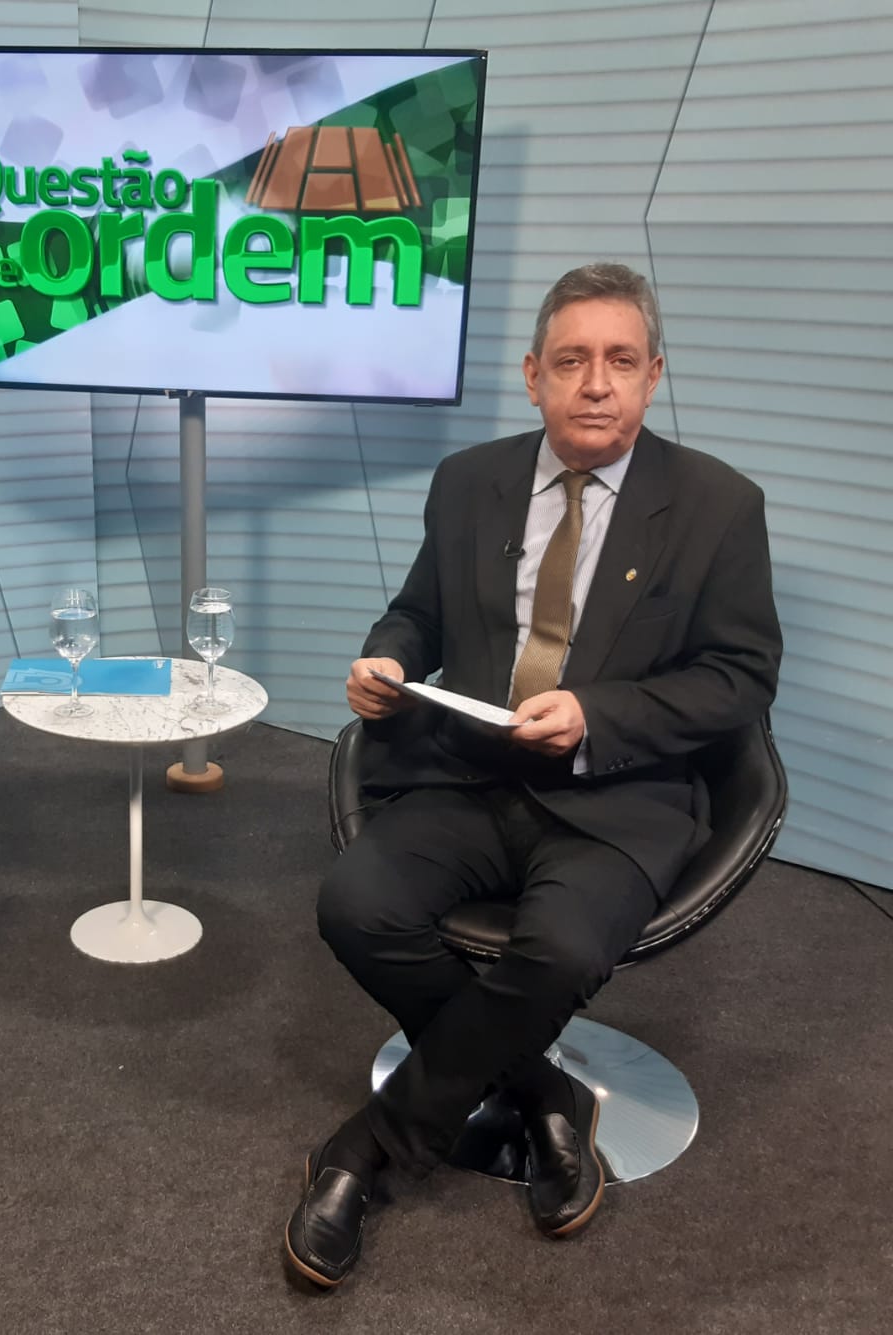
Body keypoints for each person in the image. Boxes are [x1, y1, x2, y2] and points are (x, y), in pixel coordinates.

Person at [285, 264, 783, 1286]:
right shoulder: (468, 480)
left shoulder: (719, 505)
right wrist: (388, 658)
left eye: (620, 361)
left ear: (653, 376)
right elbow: (417, 612)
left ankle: (367, 1150)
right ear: (532, 376)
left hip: (618, 793)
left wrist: (599, 715)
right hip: (467, 774)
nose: (595, 383)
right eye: (571, 361)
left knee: (558, 950)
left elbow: (740, 677)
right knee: (354, 906)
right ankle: (542, 1093)